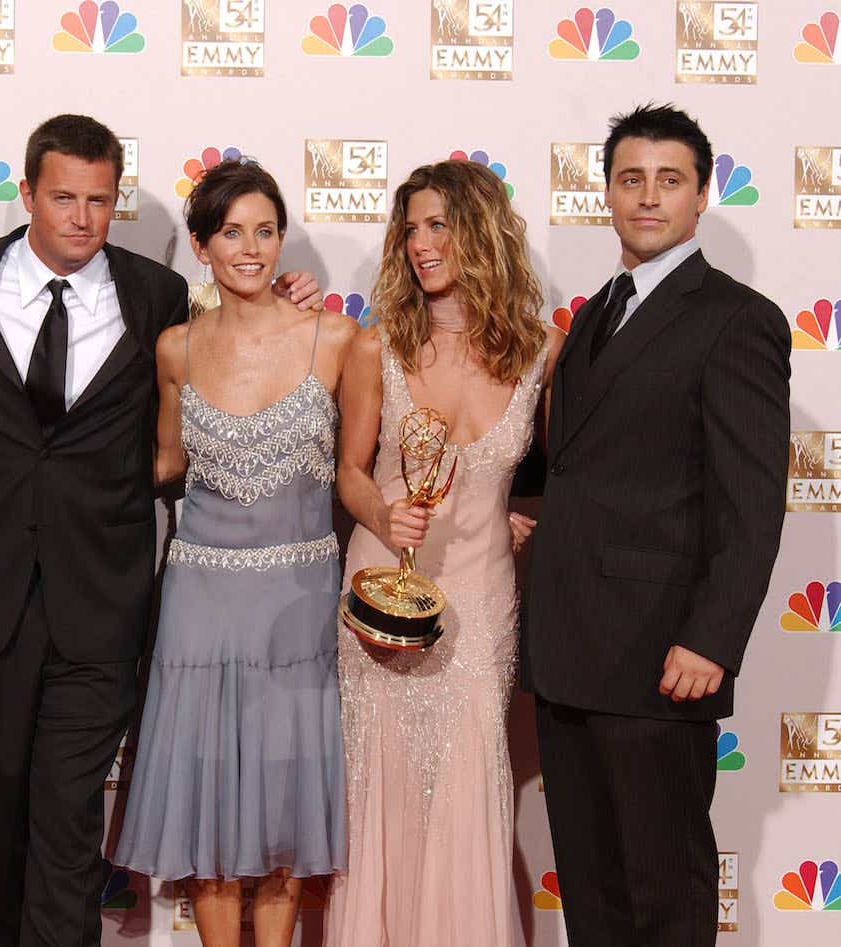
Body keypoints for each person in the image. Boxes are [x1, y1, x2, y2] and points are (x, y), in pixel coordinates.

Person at [0, 114, 320, 947]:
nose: (81, 217)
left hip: (100, 602)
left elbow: (227, 357)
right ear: (26, 193)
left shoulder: (156, 295)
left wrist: (286, 303)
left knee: (67, 826)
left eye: (100, 200)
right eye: (63, 197)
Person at [523, 104, 789, 947]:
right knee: (594, 891)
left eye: (668, 180)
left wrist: (711, 638)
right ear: (606, 191)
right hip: (567, 651)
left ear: (701, 194)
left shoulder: (737, 318)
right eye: (630, 179)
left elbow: (751, 502)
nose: (647, 197)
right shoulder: (597, 310)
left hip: (659, 657)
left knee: (663, 894)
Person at [112, 159, 352, 946]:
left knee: (285, 815)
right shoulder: (175, 347)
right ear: (201, 245)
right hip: (200, 603)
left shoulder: (339, 337)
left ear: (283, 239)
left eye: (266, 230)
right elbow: (165, 463)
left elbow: (370, 467)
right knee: (210, 815)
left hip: (299, 605)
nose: (251, 248)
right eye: (231, 232)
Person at [325, 159, 564, 946]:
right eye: (412, 227)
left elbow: (567, 471)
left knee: (468, 789)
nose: (421, 243)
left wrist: (521, 517)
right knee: (380, 788)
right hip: (381, 598)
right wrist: (383, 513)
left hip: (482, 597)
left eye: (439, 225)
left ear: (482, 230)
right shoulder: (376, 347)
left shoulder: (544, 354)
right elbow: (351, 471)